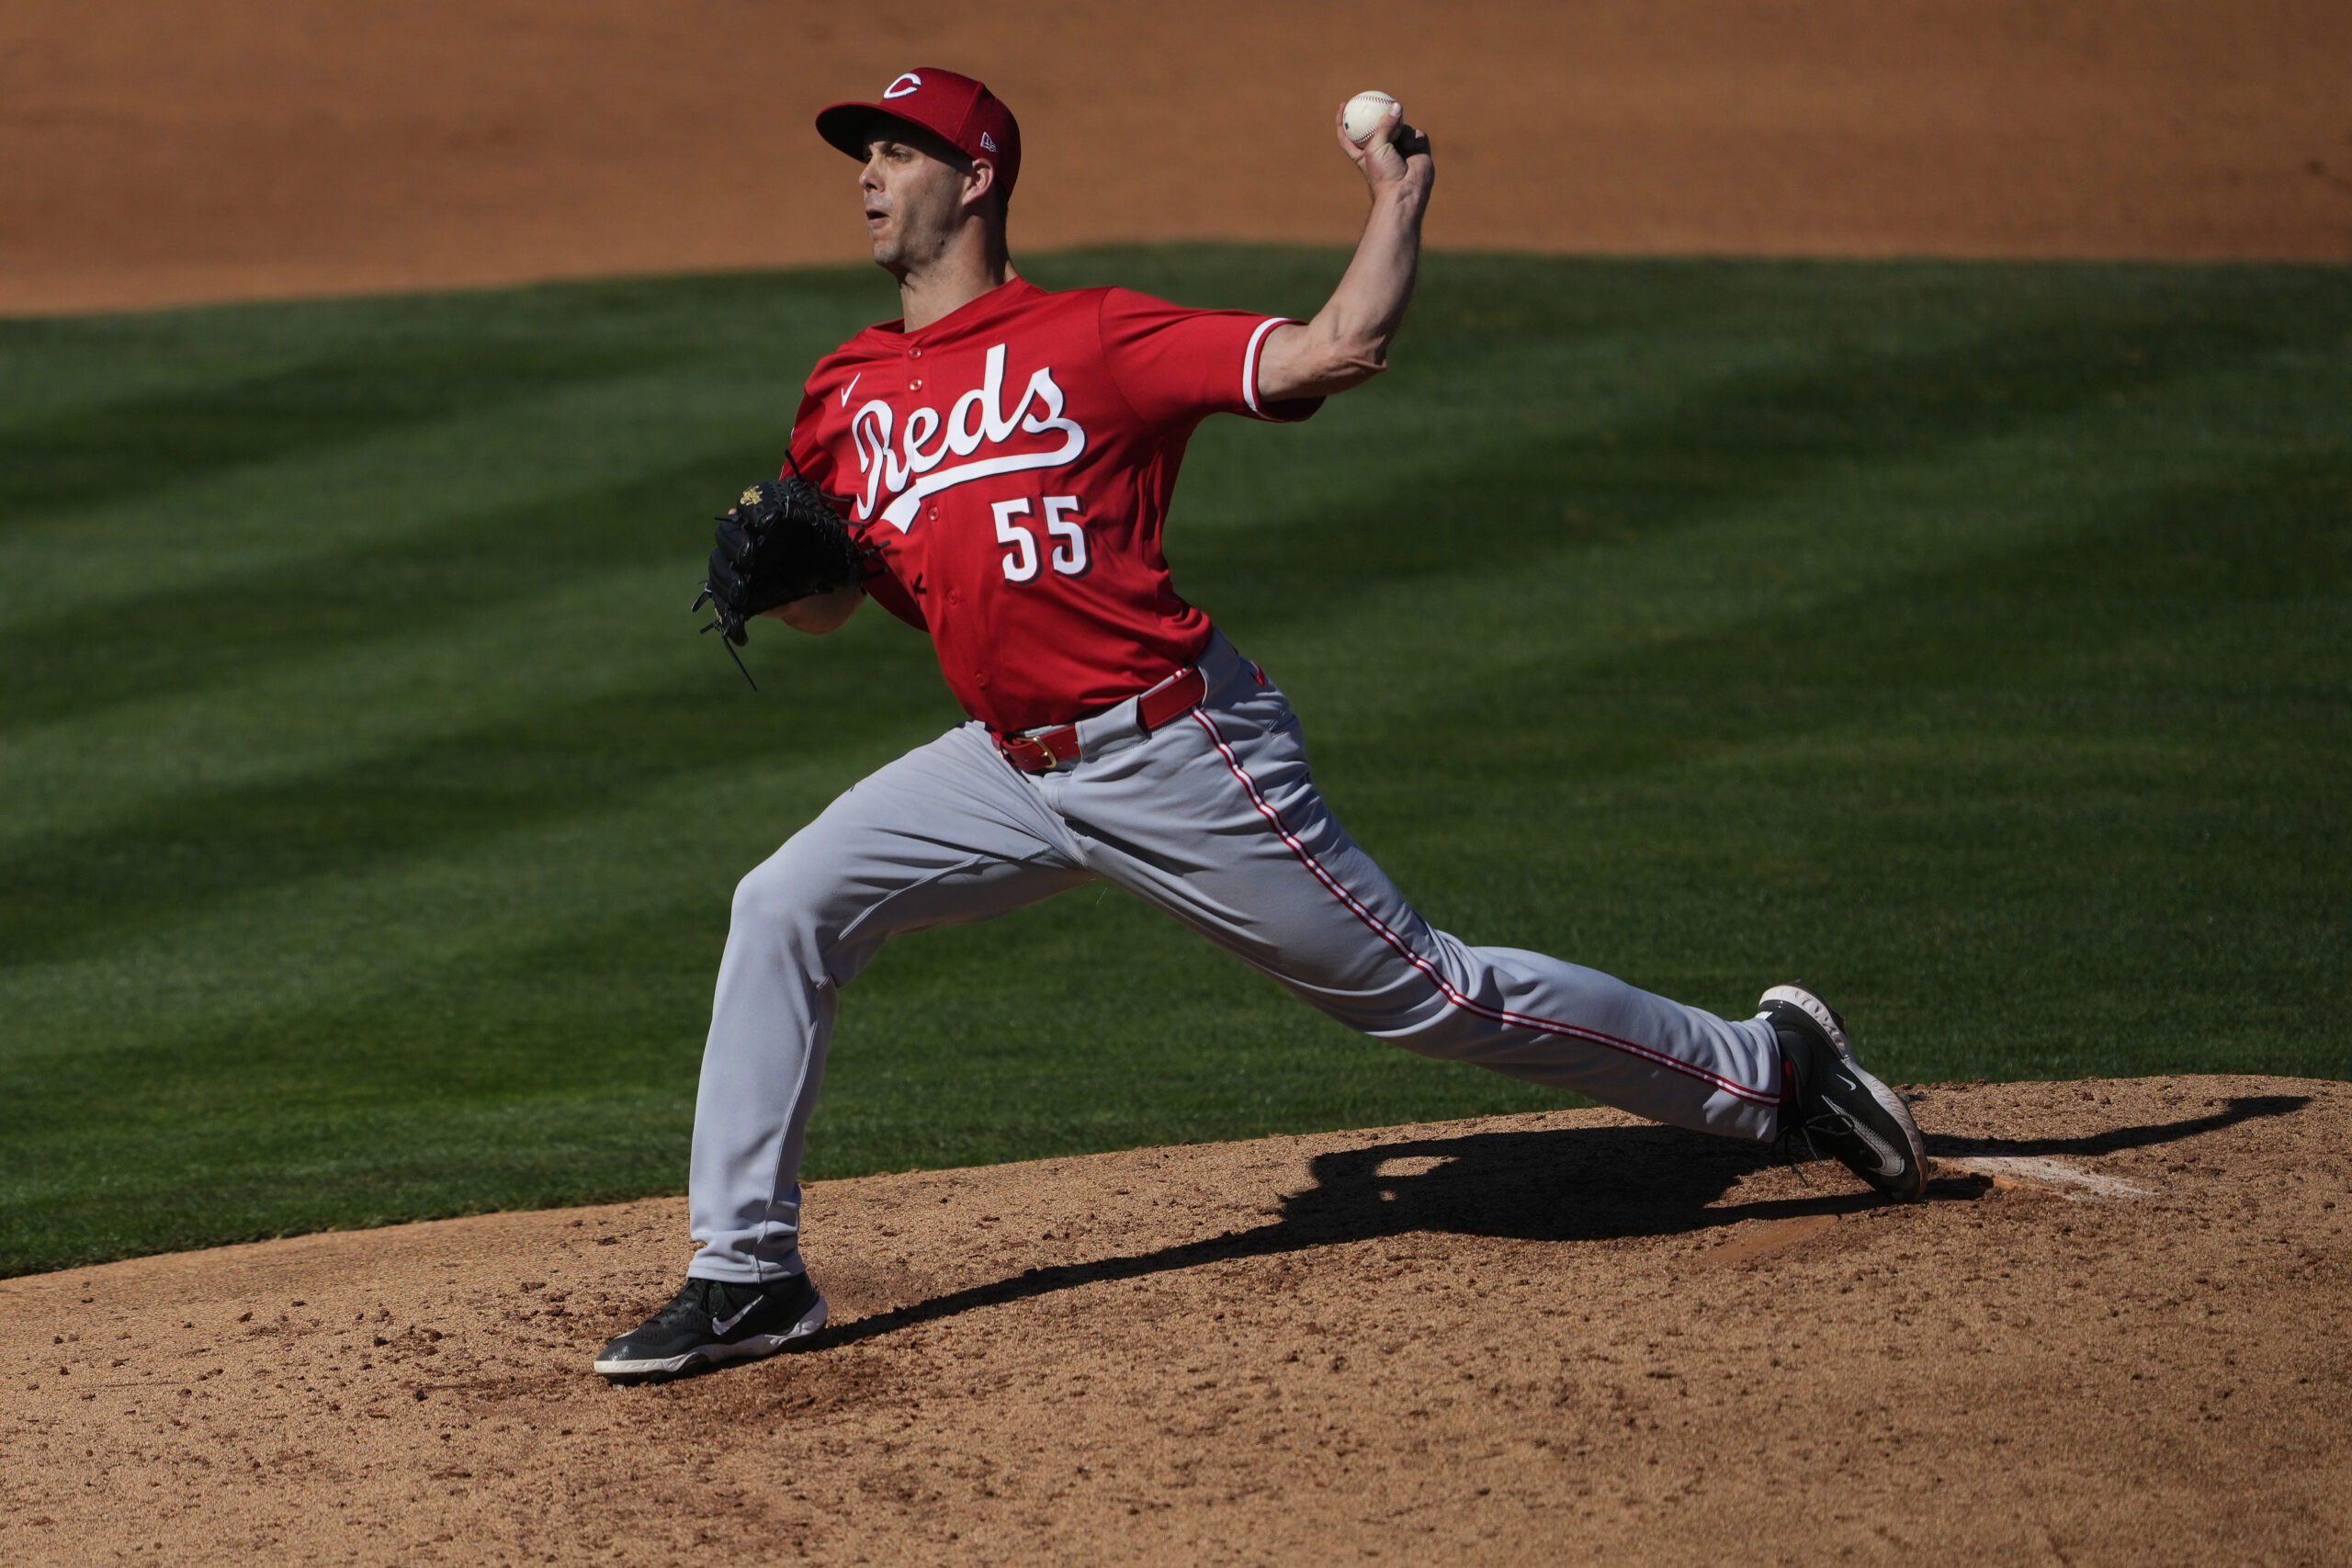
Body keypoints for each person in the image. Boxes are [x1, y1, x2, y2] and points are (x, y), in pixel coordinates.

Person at [593, 68, 1927, 1380]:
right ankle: (747, 1273)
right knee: (784, 905)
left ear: (978, 175)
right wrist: (787, 586)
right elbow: (842, 602)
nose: (869, 177)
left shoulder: (1095, 337)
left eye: (899, 151)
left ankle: (1776, 1075)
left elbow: (1338, 346)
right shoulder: (848, 387)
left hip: (1175, 748)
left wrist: (1397, 198)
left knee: (1431, 995)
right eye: (862, 154)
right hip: (1006, 766)